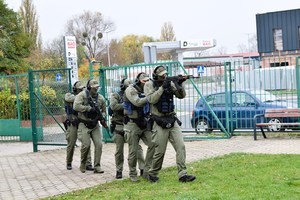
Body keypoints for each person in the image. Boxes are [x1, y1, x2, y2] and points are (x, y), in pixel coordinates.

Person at [144, 65, 196, 183]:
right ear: (156, 76)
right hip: (158, 120)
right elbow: (152, 99)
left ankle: (182, 174)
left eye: (165, 74)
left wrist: (180, 84)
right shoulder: (149, 85)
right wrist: (162, 87)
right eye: (162, 75)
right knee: (160, 151)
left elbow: (181, 96)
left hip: (171, 119)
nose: (164, 76)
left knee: (181, 146)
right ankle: (152, 173)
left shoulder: (169, 82)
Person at [109, 78, 145, 179]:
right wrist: (127, 104)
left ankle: (142, 168)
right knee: (119, 150)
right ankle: (119, 170)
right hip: (119, 125)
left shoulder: (135, 93)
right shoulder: (116, 95)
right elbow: (113, 106)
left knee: (137, 148)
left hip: (131, 124)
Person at [123, 72, 155, 182]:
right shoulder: (131, 90)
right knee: (133, 151)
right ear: (139, 81)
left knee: (153, 144)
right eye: (144, 81)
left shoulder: (149, 89)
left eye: (147, 81)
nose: (146, 83)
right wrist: (151, 96)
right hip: (132, 124)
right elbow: (137, 102)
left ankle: (146, 170)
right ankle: (132, 173)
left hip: (144, 122)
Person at [73, 79, 106, 174]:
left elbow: (104, 111)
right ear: (89, 87)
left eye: (97, 87)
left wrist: (102, 116)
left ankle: (97, 166)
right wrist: (88, 108)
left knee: (99, 144)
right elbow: (76, 106)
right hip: (84, 123)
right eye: (94, 87)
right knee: (86, 145)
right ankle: (83, 163)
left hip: (95, 124)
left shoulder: (101, 98)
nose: (96, 89)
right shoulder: (82, 95)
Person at [64, 81, 93, 171]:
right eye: (79, 89)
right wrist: (82, 96)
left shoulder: (85, 96)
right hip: (72, 123)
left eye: (82, 88)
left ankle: (88, 163)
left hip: (82, 122)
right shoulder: (70, 95)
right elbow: (70, 99)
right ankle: (69, 162)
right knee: (71, 144)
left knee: (86, 143)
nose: (81, 90)